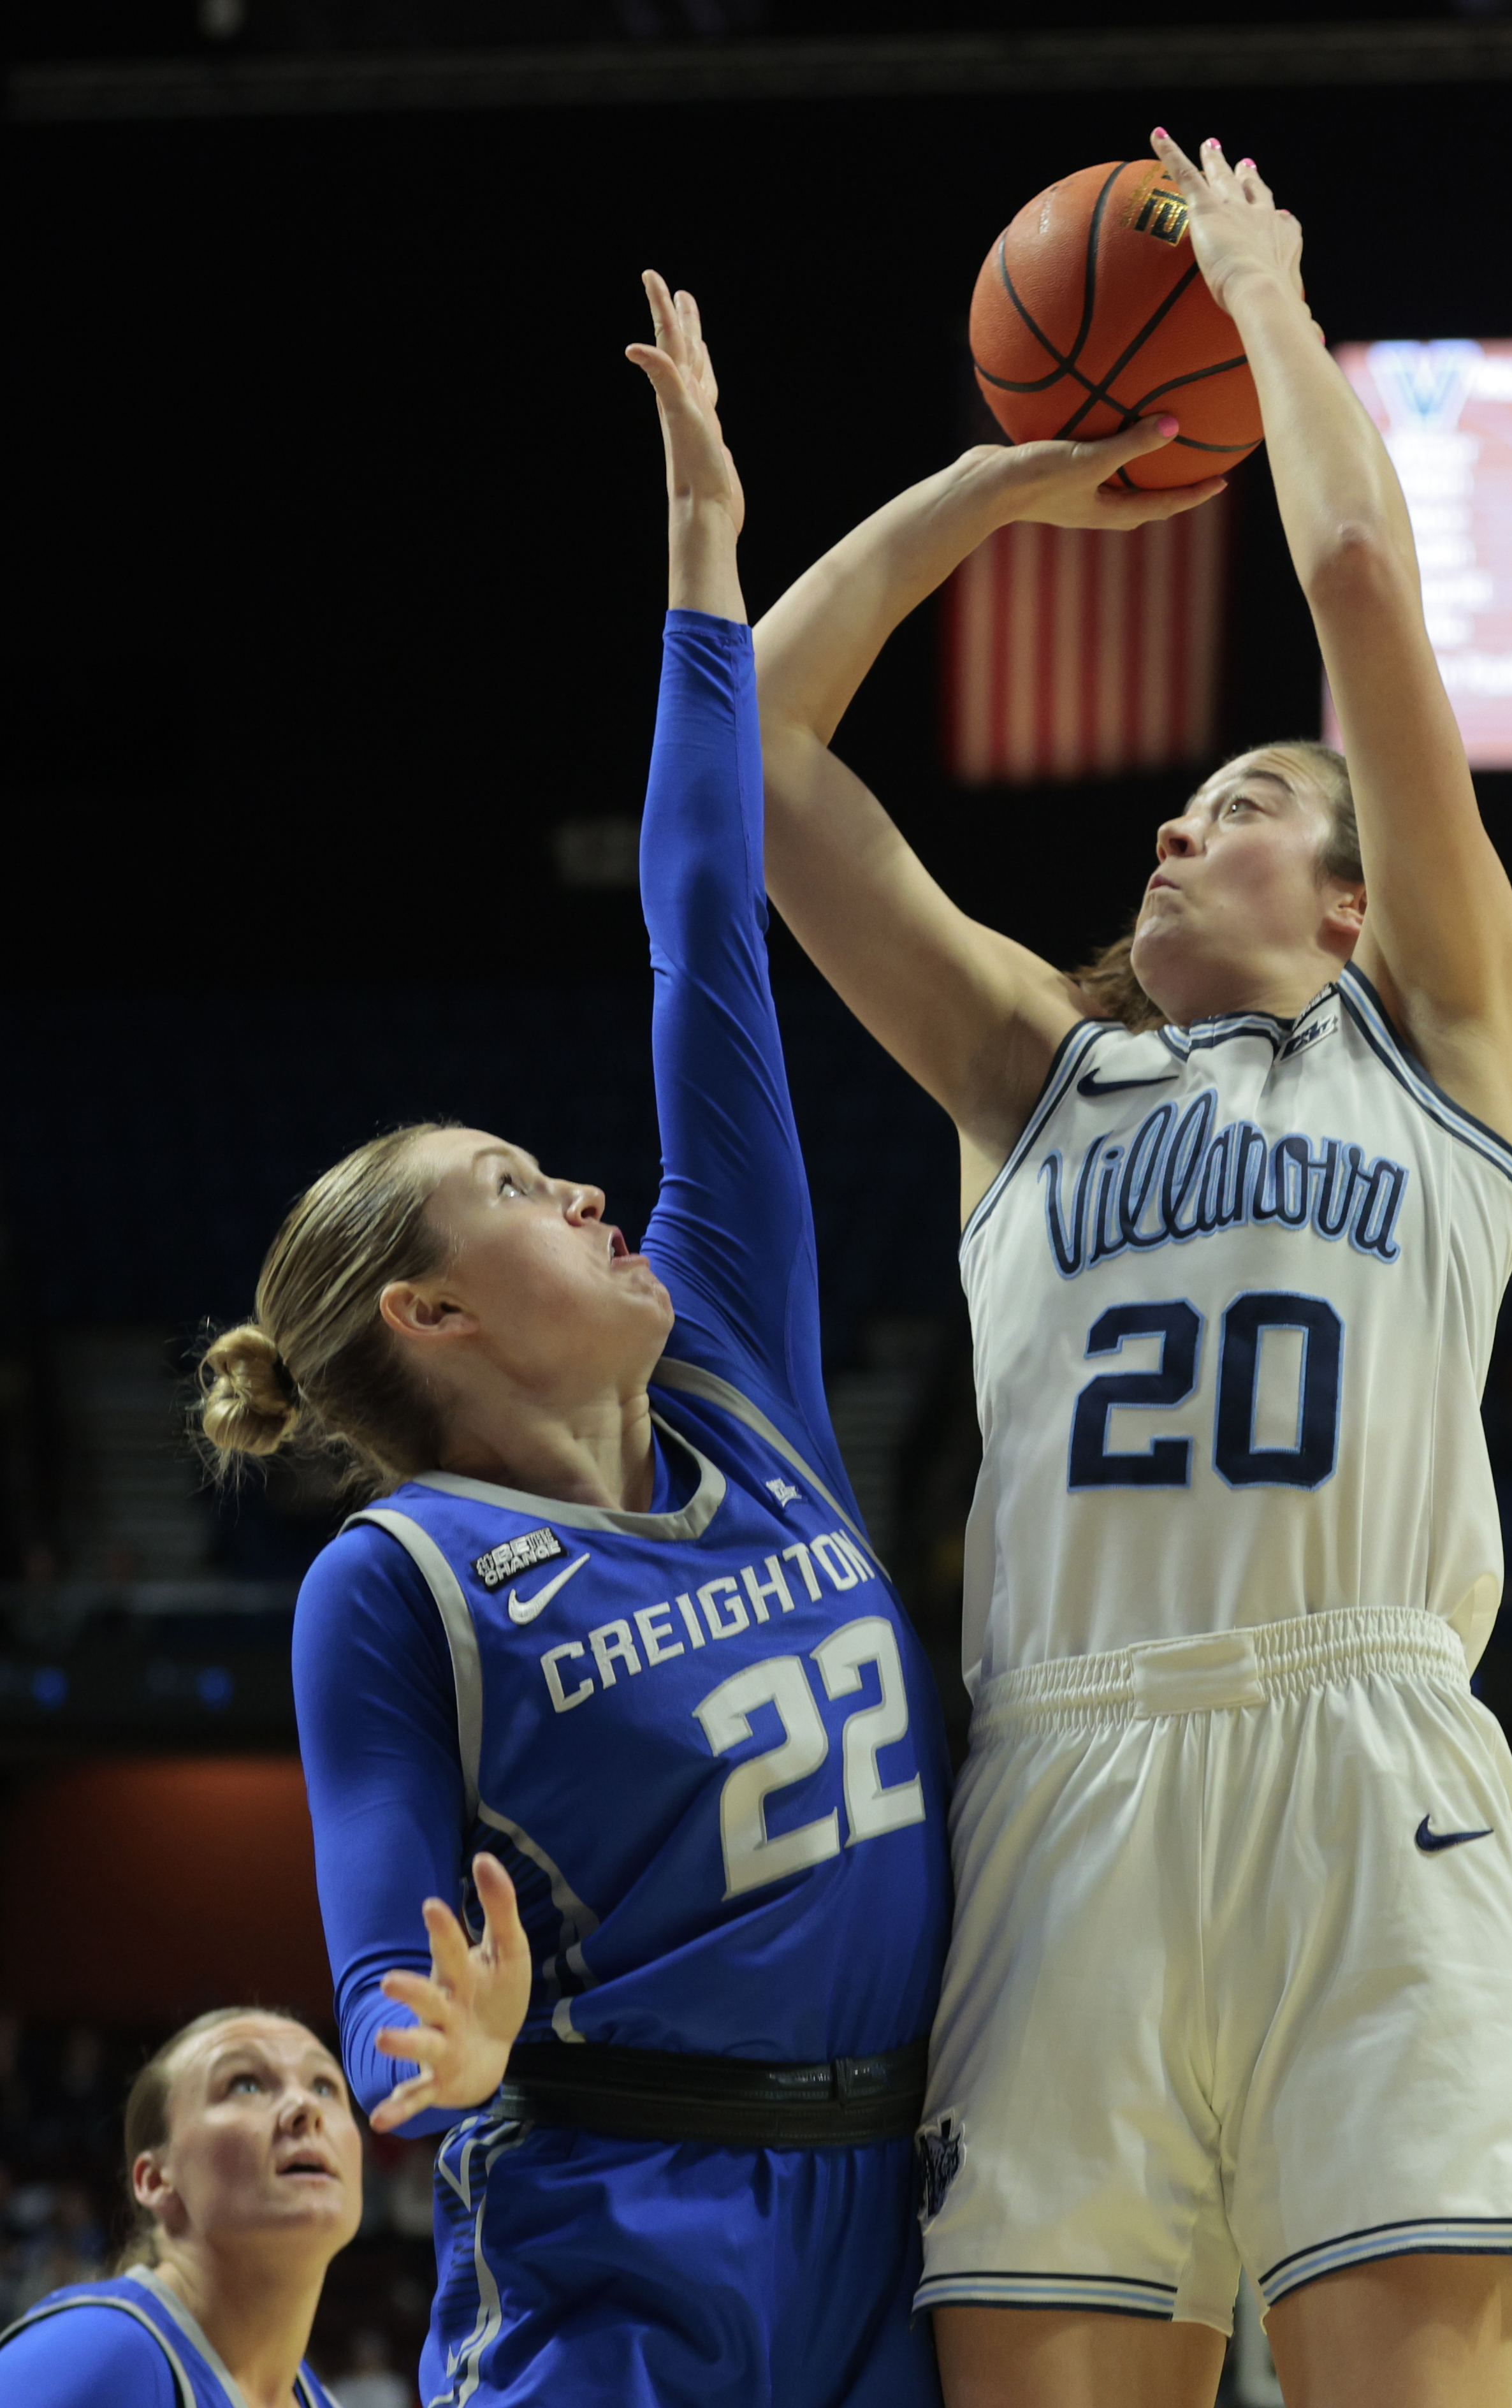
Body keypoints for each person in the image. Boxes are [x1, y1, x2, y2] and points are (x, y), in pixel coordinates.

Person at [755, 134, 1512, 2408]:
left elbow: (1348, 567)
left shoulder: (1431, 1051)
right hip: (1068, 1797)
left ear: (1354, 900)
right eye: (1179, 804)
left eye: (1242, 800)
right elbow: (734, 751)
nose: (1174, 820)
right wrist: (995, 487)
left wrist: (1260, 296)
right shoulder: (1028, 1083)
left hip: (1371, 1778)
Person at [193, 274, 950, 2408]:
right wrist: (442, 2048)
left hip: (900, 2220)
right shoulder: (398, 1580)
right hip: (631, 2252)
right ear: (428, 1309)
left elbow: (699, 915)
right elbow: (389, 1998)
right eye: (524, 1186)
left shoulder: (743, 1371)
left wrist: (708, 540)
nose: (593, 1191)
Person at [0, 2008, 359, 2407]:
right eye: (246, 2085)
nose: (305, 2108)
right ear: (155, 2180)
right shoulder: (98, 2353)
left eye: (325, 2087)